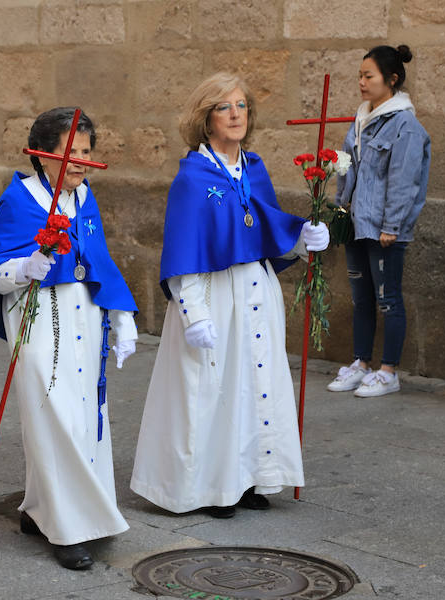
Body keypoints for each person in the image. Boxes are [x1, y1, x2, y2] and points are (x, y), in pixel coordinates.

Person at [130, 73, 330, 519]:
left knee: (255, 384)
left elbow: (266, 227)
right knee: (210, 390)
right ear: (205, 119)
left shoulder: (253, 168)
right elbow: (186, 251)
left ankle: (250, 479)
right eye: (224, 107)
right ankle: (210, 486)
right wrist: (193, 313)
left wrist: (303, 238)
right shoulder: (192, 178)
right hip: (213, 296)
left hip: (257, 292)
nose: (235, 114)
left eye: (241, 105)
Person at [0, 107, 138, 569]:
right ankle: (68, 529)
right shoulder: (20, 199)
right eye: (72, 153)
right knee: (54, 415)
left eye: (87, 152)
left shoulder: (85, 197)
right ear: (43, 155)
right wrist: (23, 269)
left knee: (84, 415)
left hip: (84, 320)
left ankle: (41, 508)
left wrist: (122, 317)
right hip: (37, 320)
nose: (83, 162)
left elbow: (101, 262)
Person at [326, 45, 430, 398]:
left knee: (389, 300)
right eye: (360, 75)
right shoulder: (362, 119)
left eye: (368, 76)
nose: (361, 82)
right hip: (357, 223)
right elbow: (348, 168)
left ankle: (389, 371)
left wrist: (392, 226)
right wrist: (341, 210)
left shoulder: (405, 125)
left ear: (392, 79)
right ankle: (361, 363)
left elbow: (404, 180)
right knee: (361, 299)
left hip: (384, 230)